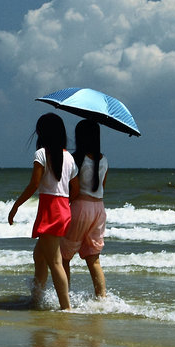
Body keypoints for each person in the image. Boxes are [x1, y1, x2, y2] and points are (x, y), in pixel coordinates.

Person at [8, 113, 79, 310]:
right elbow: (76, 189)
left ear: (42, 133)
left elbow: (34, 184)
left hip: (50, 209)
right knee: (40, 256)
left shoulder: (41, 154)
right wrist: (64, 205)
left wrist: (15, 206)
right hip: (63, 208)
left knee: (55, 262)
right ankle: (36, 299)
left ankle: (66, 308)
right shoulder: (69, 157)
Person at [61, 119, 107, 299]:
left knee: (64, 256)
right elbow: (101, 186)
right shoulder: (104, 159)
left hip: (80, 207)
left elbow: (74, 189)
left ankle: (64, 296)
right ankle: (101, 298)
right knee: (93, 258)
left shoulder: (76, 158)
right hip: (99, 208)